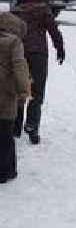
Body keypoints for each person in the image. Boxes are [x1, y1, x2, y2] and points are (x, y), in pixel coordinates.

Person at [12, 0, 65, 145]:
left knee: (20, 89)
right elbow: (54, 31)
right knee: (37, 92)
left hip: (19, 54)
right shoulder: (43, 10)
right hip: (38, 55)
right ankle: (32, 126)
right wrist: (60, 49)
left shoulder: (16, 11)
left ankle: (16, 126)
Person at [0, 12, 30, 183]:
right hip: (5, 92)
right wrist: (24, 89)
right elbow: (19, 65)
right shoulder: (14, 42)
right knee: (5, 133)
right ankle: (5, 172)